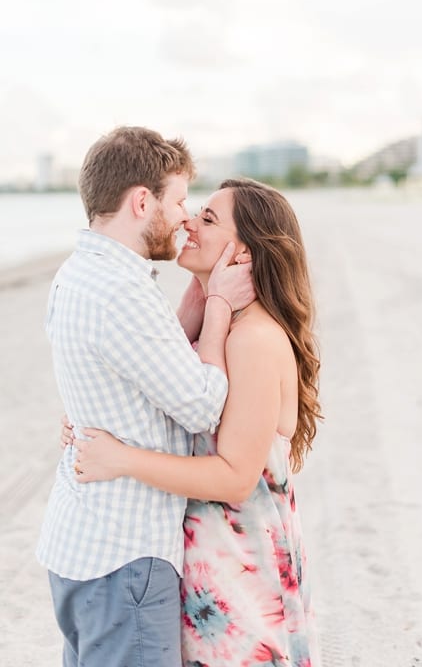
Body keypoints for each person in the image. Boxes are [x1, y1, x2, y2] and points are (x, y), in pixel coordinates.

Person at [67, 178, 322, 667]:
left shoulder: (254, 339)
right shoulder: (216, 329)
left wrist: (120, 460)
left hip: (240, 576)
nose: (188, 221)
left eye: (208, 218)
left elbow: (234, 478)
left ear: (244, 252)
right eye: (195, 211)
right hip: (203, 568)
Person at [37, 126, 255, 667]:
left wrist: (202, 294)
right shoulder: (121, 292)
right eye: (179, 200)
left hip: (79, 544)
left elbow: (141, 360)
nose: (186, 215)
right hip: (124, 555)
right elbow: (204, 403)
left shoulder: (79, 273)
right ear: (141, 202)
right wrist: (222, 308)